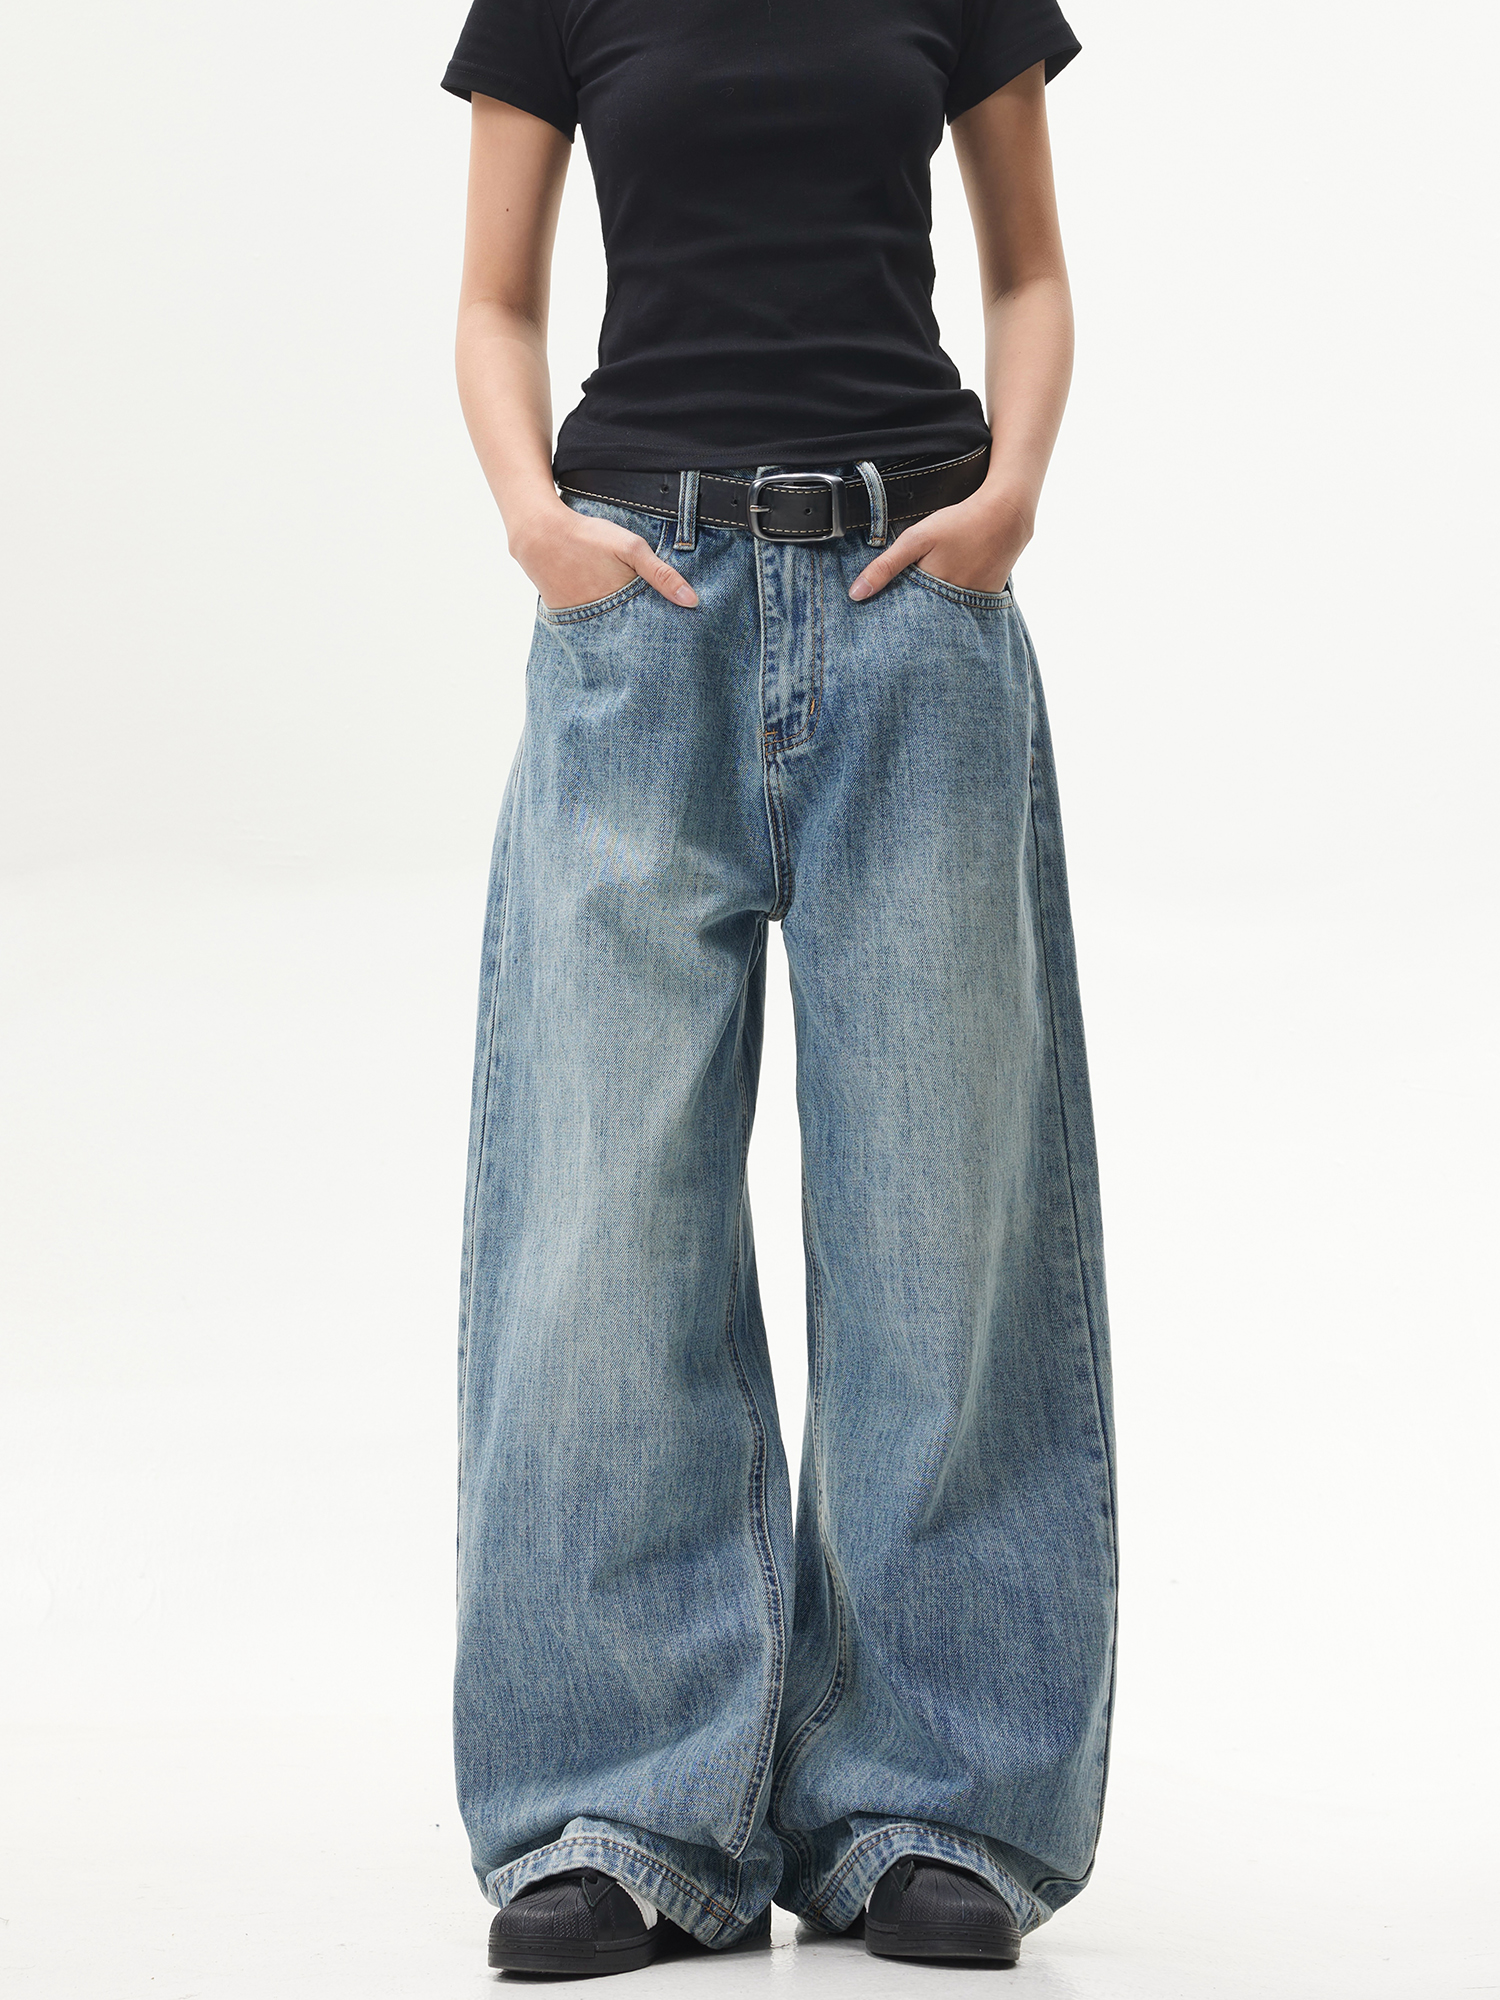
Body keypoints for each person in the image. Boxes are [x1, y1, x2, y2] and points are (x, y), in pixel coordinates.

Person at [440, 0, 1117, 1975]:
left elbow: (1029, 268)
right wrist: (537, 525)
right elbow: (494, 298)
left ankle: (930, 1798)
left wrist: (1009, 502)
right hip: (641, 622)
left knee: (943, 1218)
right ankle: (620, 1807)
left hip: (916, 610)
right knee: (602, 1219)